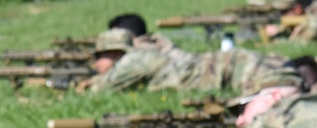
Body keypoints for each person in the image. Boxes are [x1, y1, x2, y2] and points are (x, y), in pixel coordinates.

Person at [80, 28, 299, 95]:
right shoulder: (140, 57)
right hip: (229, 66)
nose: (96, 63)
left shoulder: (131, 62)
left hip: (231, 69)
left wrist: (84, 84)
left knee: (290, 92)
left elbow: (102, 89)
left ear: (114, 52)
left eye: (99, 57)